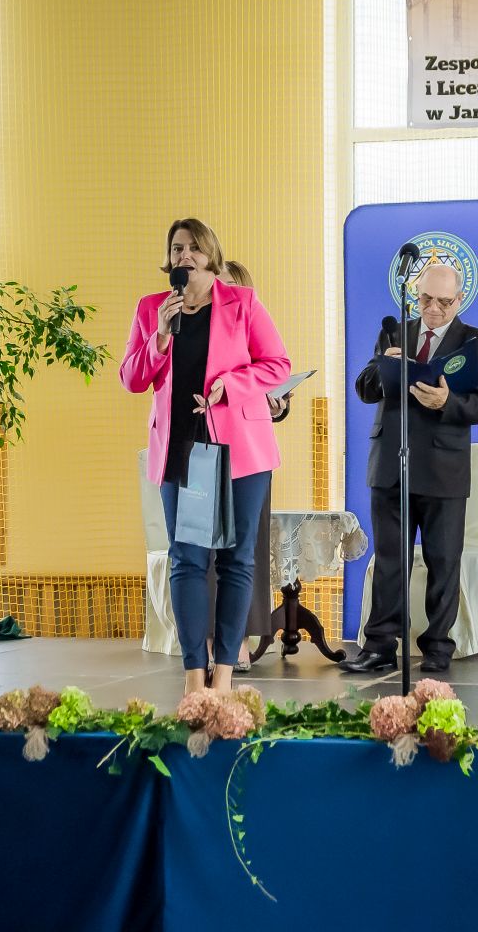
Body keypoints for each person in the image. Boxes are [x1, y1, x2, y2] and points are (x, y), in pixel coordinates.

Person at [120, 219, 290, 693]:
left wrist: (230, 384)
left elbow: (278, 364)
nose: (185, 256)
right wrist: (159, 337)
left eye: (195, 248)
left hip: (241, 451)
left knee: (237, 561)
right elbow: (131, 378)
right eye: (177, 248)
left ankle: (225, 674)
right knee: (187, 560)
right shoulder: (151, 308)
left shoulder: (243, 303)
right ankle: (195, 674)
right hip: (182, 448)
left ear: (211, 255)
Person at [342, 263, 478, 678]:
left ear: (459, 300)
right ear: (415, 296)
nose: (433, 309)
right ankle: (379, 646)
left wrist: (447, 403)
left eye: (444, 302)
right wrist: (383, 367)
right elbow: (364, 388)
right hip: (391, 462)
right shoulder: (395, 332)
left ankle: (438, 646)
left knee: (443, 560)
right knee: (389, 560)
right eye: (426, 299)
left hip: (443, 467)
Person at [206, 259, 292, 673]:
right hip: (204, 447)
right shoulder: (194, 326)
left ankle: (238, 637)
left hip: (250, 451)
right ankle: (209, 639)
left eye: (230, 288)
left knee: (245, 551)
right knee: (206, 550)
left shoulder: (254, 325)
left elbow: (276, 379)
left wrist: (277, 405)